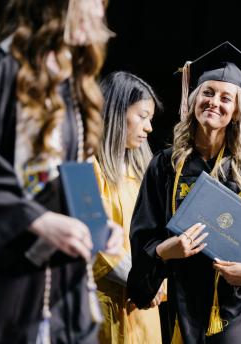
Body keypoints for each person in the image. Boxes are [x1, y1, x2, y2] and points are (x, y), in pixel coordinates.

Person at [0, 0, 123, 343]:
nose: (99, 13)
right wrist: (37, 220)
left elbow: (66, 173)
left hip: (61, 289)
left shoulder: (72, 88)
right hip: (4, 286)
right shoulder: (0, 72)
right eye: (92, 1)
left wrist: (94, 223)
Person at [127, 41, 241, 344]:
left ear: (237, 112)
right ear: (195, 99)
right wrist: (164, 251)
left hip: (236, 311)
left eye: (226, 98)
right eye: (207, 93)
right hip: (179, 304)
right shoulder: (166, 166)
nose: (214, 102)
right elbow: (143, 234)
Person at [92, 71, 164, 343]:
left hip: (142, 311)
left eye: (151, 119)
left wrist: (154, 281)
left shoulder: (145, 171)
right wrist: (142, 280)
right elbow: (93, 237)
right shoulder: (81, 165)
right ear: (115, 111)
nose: (149, 128)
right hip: (99, 307)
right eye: (142, 116)